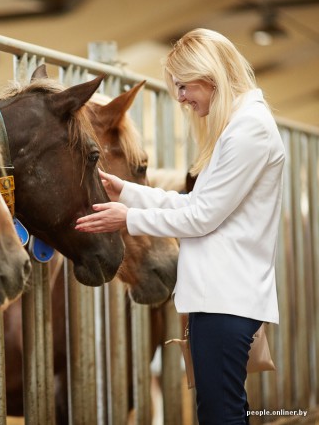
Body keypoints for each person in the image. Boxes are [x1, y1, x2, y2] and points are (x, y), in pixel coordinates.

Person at [75, 28, 284, 424]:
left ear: (211, 75)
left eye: (185, 86)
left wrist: (128, 219)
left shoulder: (249, 130)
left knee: (220, 415)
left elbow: (201, 217)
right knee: (221, 411)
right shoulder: (239, 128)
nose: (183, 98)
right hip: (219, 298)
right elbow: (198, 205)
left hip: (225, 299)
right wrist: (129, 193)